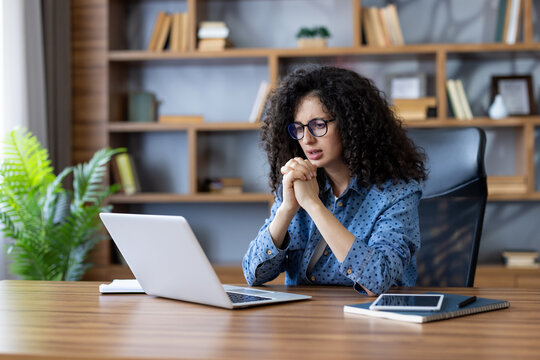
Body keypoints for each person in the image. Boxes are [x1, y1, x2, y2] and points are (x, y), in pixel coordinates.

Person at [242, 65, 426, 296]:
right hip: (304, 322)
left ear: (352, 124)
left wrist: (313, 205)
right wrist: (287, 209)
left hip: (374, 322)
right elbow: (253, 275)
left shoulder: (397, 193)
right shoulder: (299, 184)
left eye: (318, 125)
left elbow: (377, 280)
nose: (307, 139)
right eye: (298, 128)